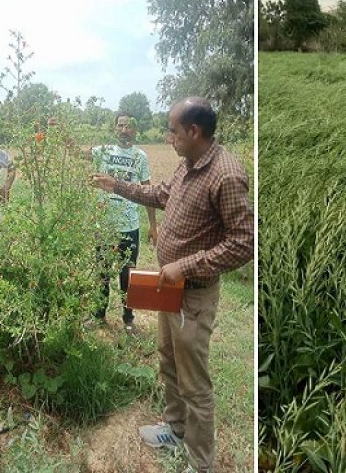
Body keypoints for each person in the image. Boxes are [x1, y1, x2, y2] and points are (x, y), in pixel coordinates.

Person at [89, 97, 253, 473]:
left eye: (172, 130)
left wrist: (186, 265)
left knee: (194, 381)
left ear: (193, 132)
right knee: (168, 360)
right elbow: (159, 194)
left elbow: (244, 243)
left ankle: (200, 462)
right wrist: (116, 185)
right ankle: (176, 430)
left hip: (193, 294)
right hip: (172, 290)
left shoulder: (225, 175)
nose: (168, 137)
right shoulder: (188, 165)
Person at [89, 112, 157, 334]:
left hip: (129, 227)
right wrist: (56, 132)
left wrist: (153, 226)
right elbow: (76, 153)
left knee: (128, 275)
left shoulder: (140, 157)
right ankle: (98, 316)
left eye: (129, 126)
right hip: (105, 226)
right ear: (115, 128)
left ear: (135, 129)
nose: (124, 130)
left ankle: (128, 319)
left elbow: (148, 193)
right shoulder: (104, 151)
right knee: (102, 273)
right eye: (120, 126)